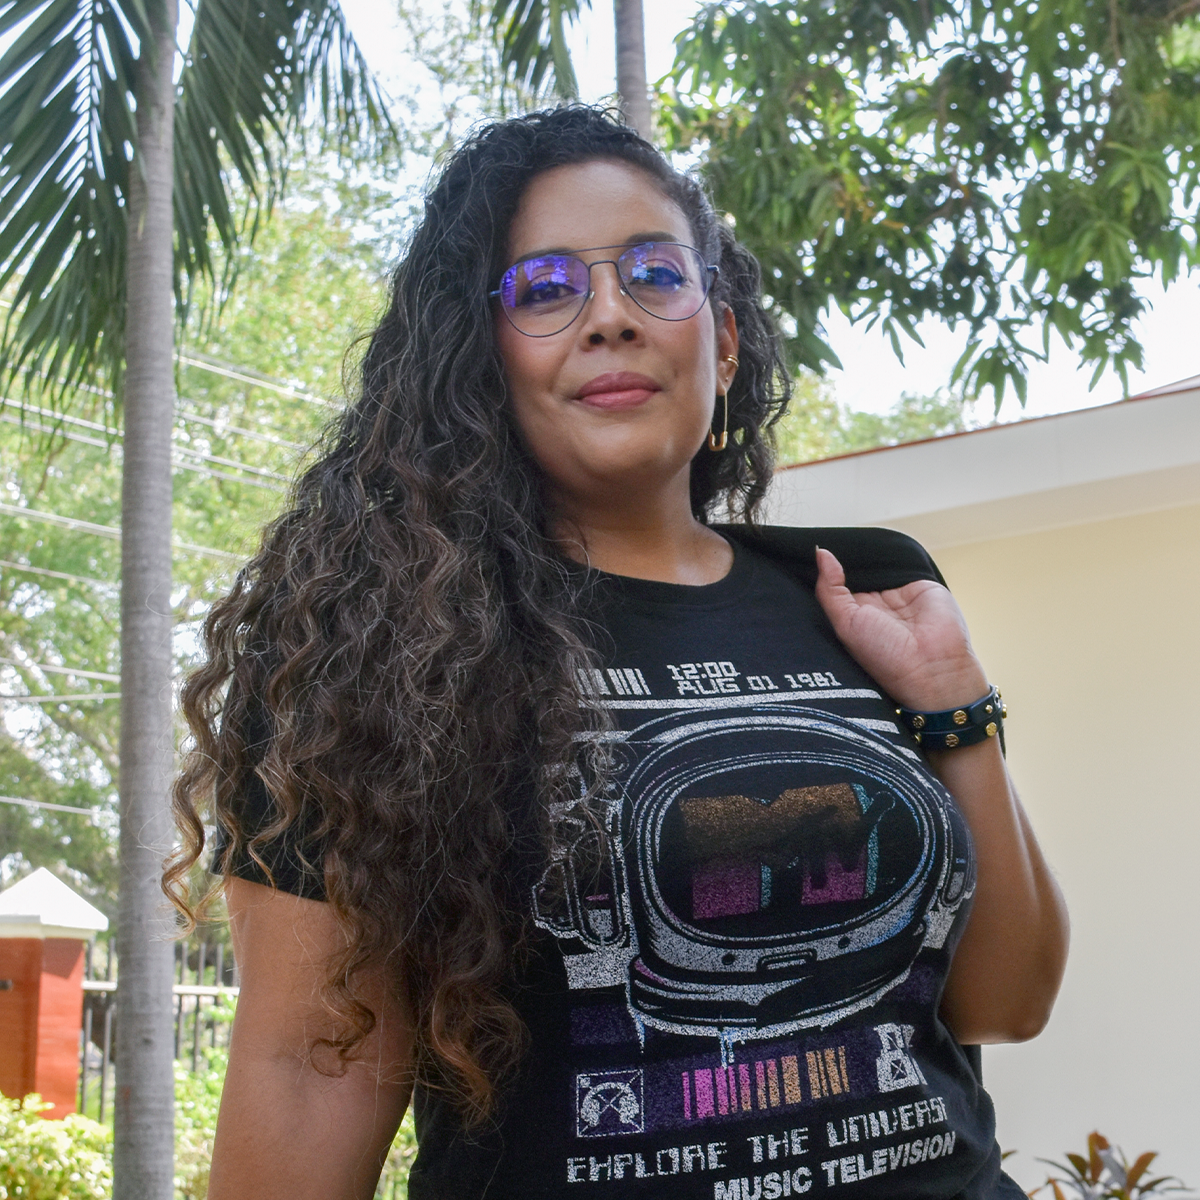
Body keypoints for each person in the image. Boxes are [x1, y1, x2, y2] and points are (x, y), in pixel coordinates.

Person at [167, 105, 1069, 1200]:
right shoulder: (376, 649)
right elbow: (311, 1069)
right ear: (479, 358)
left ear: (722, 340)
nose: (610, 317)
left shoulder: (866, 585)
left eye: (654, 274)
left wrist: (957, 710)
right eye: (545, 289)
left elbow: (1006, 1004)